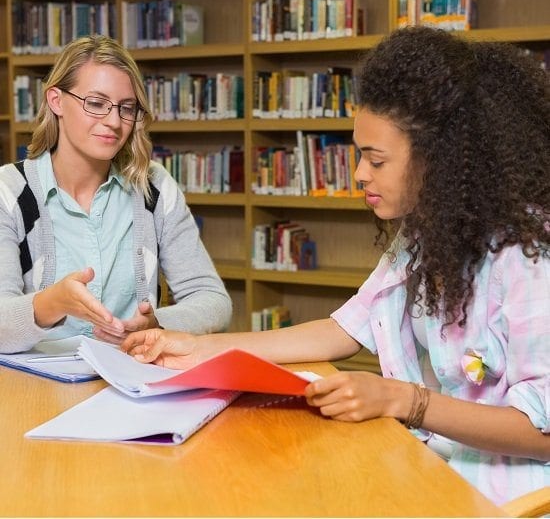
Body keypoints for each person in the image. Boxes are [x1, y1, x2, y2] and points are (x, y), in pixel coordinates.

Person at [121, 26, 550, 505]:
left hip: (515, 493)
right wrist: (199, 349)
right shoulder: (430, 232)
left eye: (376, 160)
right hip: (445, 468)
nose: (360, 173)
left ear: (441, 159)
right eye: (359, 154)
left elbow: (541, 432)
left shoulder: (530, 257)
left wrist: (406, 401)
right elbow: (347, 326)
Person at [0, 34, 232, 353]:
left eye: (126, 108)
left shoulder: (154, 187)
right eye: (96, 104)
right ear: (56, 101)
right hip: (33, 389)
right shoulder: (8, 191)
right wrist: (50, 304)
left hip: (129, 378)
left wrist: (158, 325)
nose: (113, 122)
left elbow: (214, 301)